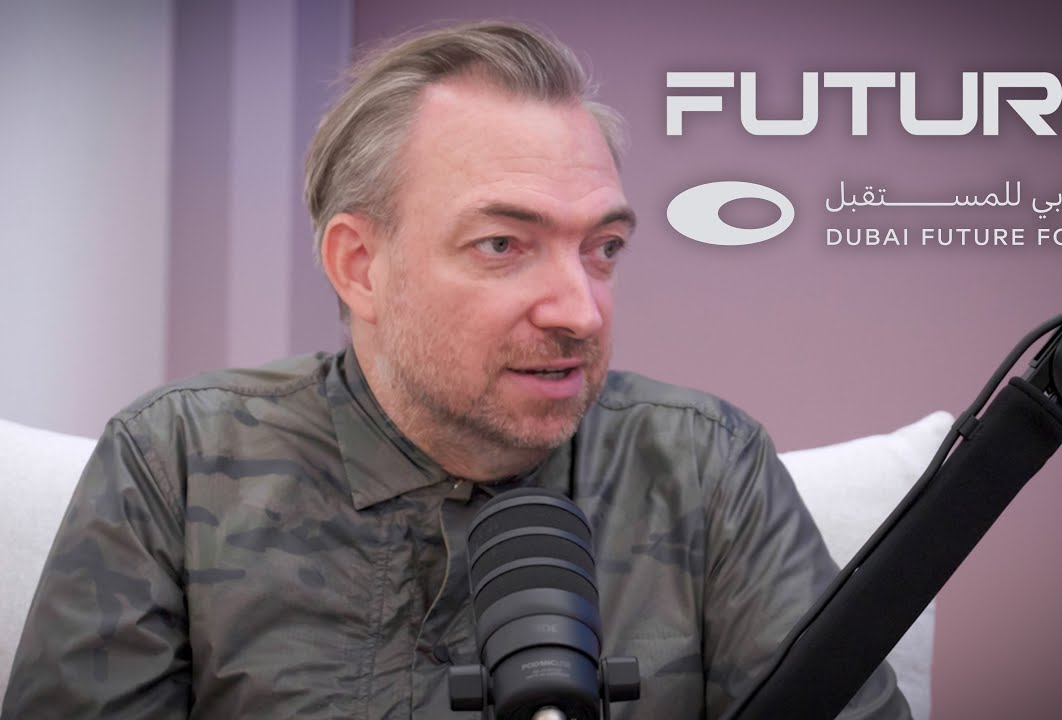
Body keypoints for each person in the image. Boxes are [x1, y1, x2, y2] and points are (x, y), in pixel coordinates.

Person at [2, 21, 909, 720]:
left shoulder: (709, 469)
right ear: (361, 265)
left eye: (602, 248)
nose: (581, 311)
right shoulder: (177, 462)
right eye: (503, 244)